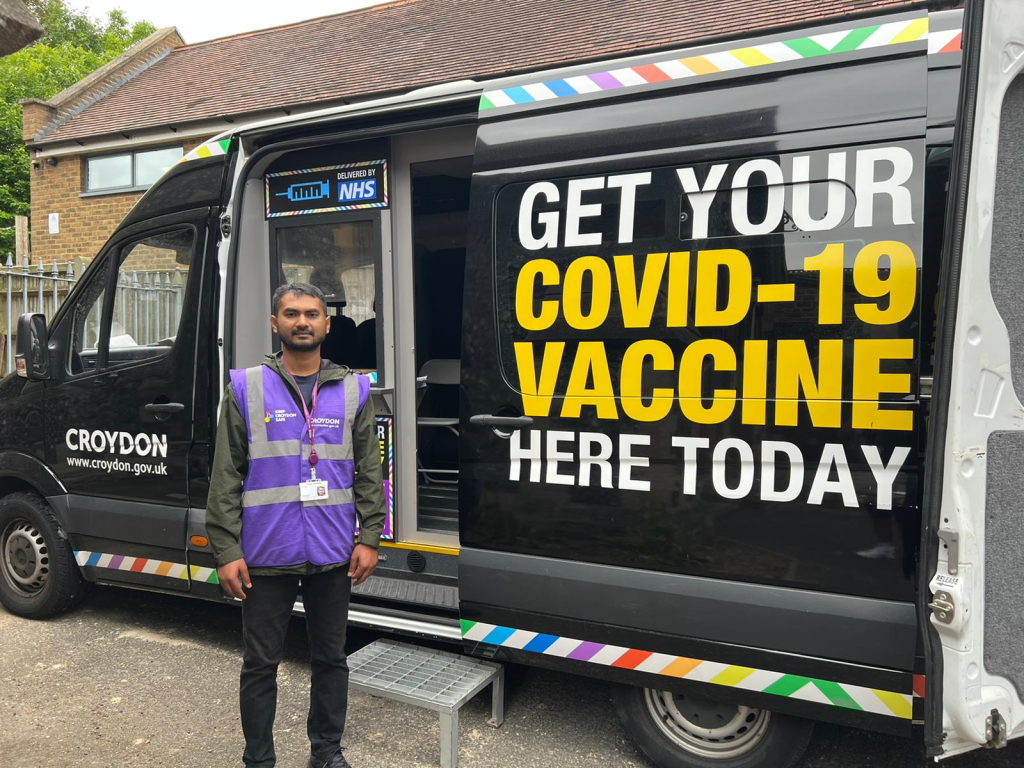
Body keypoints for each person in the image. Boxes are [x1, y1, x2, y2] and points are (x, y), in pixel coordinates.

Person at [206, 282, 384, 768]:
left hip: (333, 553)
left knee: (331, 661)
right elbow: (225, 475)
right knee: (260, 665)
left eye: (311, 314)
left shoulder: (353, 389)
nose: (301, 322)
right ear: (275, 323)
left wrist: (370, 536)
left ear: (327, 324)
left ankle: (326, 753)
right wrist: (226, 550)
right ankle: (259, 760)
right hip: (264, 554)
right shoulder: (245, 387)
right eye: (291, 314)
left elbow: (371, 470)